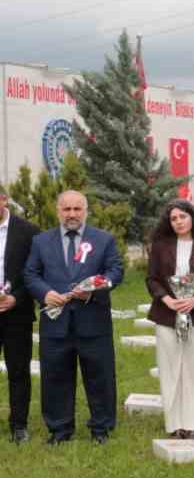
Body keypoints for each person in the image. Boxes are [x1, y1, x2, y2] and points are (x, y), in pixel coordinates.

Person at [23, 189, 123, 444]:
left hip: (94, 322)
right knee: (55, 377)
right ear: (58, 211)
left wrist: (96, 288)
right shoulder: (41, 241)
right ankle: (59, 430)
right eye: (66, 209)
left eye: (77, 209)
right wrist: (45, 294)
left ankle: (101, 429)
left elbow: (115, 271)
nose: (72, 214)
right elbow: (31, 274)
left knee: (100, 377)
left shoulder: (103, 240)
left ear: (86, 211)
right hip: (56, 325)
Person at [145, 200, 194, 439]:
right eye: (173, 218)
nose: (178, 222)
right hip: (167, 314)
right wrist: (166, 299)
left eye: (182, 217)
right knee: (170, 368)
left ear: (192, 218)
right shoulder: (160, 245)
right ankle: (176, 424)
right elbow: (152, 279)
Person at [0, 184, 40, 443]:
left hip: (17, 313)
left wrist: (16, 297)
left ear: (3, 200)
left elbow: (34, 272)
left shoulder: (28, 232)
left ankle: (19, 425)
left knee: (18, 369)